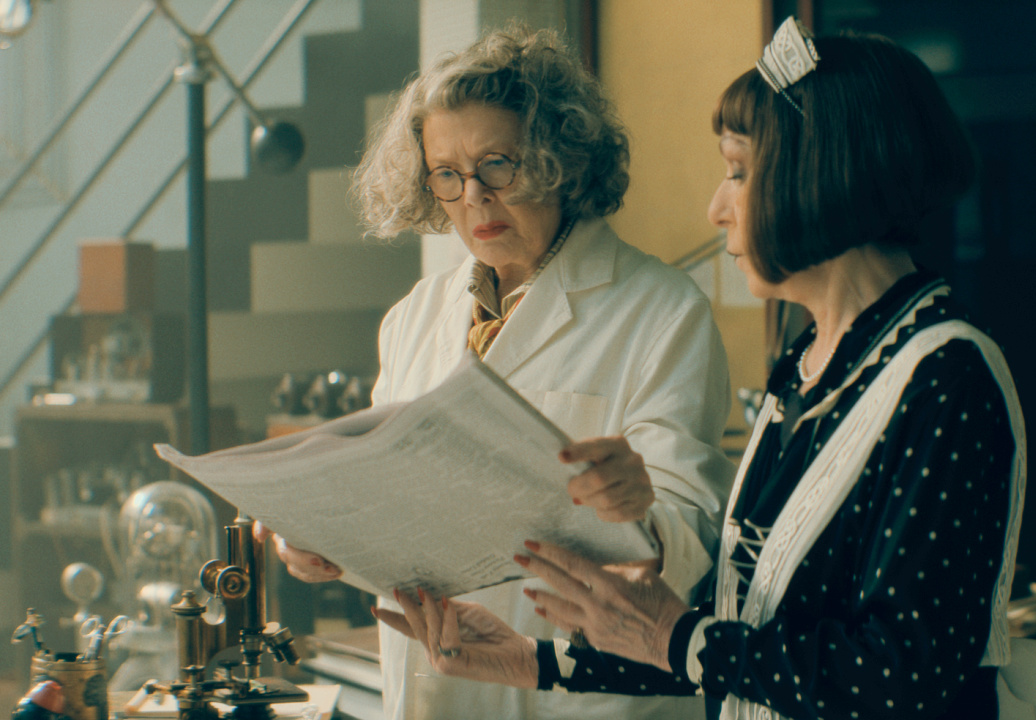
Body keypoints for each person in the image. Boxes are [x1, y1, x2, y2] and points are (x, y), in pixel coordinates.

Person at [378, 18, 1036, 720]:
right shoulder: (805, 365)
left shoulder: (948, 376)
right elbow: (738, 621)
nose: (716, 207)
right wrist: (535, 660)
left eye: (738, 172)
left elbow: (898, 672)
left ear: (821, 172)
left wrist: (679, 639)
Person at [257, 25, 735, 720]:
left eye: (498, 165)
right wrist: (321, 540)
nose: (472, 196)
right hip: (433, 683)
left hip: (580, 695)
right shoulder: (413, 317)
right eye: (446, 175)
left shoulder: (663, 311)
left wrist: (641, 512)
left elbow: (692, 537)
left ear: (558, 159)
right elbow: (385, 499)